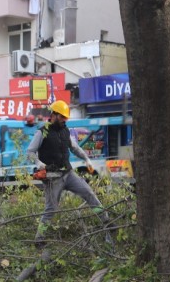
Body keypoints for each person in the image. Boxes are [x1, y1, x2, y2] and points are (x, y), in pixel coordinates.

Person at [26, 100, 109, 246]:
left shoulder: (65, 131)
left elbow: (75, 148)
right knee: (51, 209)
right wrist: (39, 164)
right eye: (62, 117)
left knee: (88, 193)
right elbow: (30, 152)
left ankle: (107, 221)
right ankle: (39, 239)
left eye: (66, 118)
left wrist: (86, 159)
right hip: (52, 178)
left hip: (68, 174)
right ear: (54, 115)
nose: (65, 120)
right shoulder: (42, 131)